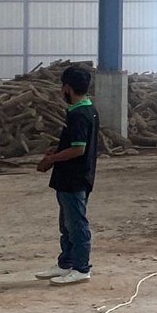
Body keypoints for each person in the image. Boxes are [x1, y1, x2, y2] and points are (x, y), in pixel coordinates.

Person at [36, 65, 100, 286]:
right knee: (66, 224)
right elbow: (74, 144)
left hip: (74, 177)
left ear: (67, 88)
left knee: (76, 224)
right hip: (71, 176)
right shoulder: (84, 110)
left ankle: (81, 267)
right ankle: (66, 263)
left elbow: (78, 149)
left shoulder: (80, 114)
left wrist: (52, 159)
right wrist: (58, 150)